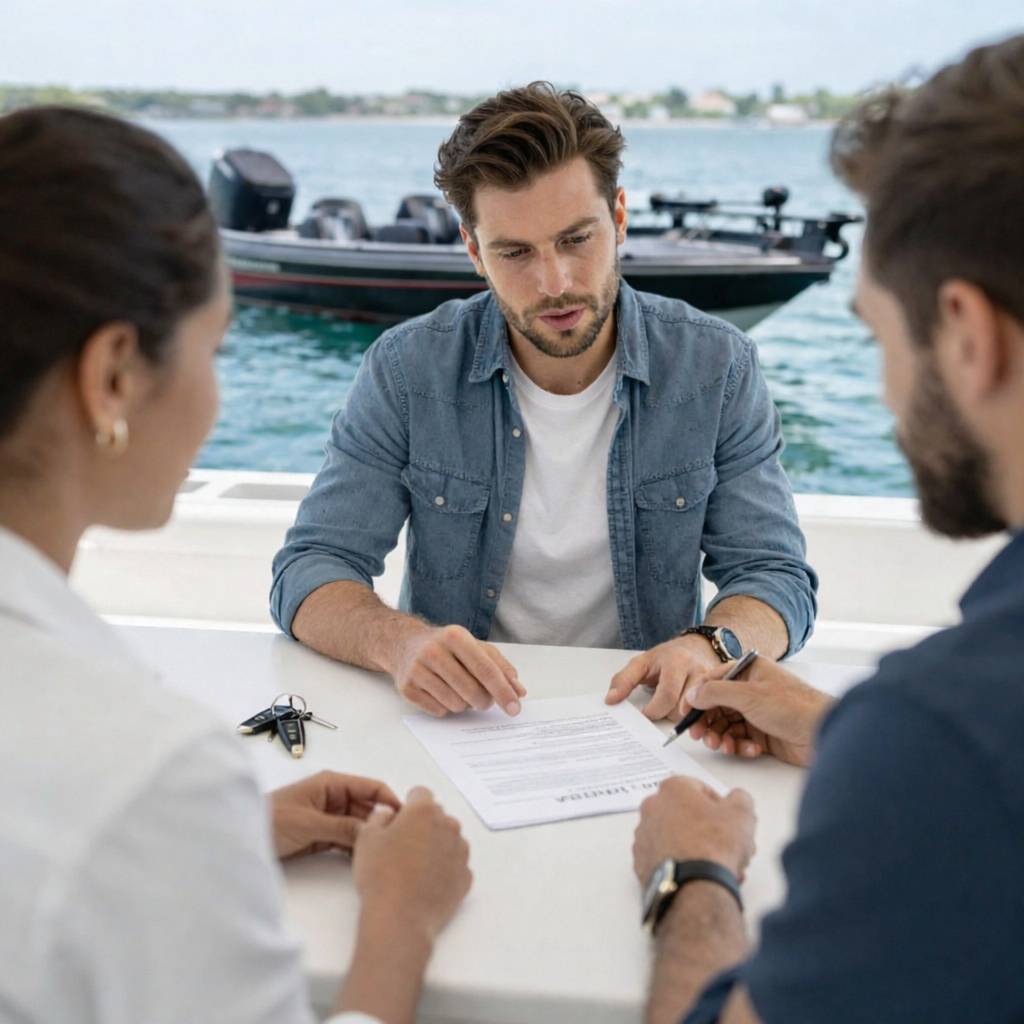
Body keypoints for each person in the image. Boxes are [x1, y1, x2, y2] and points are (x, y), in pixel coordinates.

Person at [0, 105, 471, 1024]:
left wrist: (215, 845)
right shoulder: (151, 768)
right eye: (215, 350)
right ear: (111, 377)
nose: (216, 395)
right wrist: (401, 918)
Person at [631, 33, 1024, 1024]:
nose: (886, 388)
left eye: (875, 334)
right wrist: (841, 726)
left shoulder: (940, 744)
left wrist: (693, 873)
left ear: (968, 337)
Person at [270, 82, 817, 722]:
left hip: (648, 719)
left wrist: (710, 646)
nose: (554, 283)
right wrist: (401, 644)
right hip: (466, 724)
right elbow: (310, 569)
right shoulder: (406, 368)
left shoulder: (717, 365)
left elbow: (774, 576)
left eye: (576, 239)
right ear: (475, 251)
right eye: (515, 252)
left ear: (618, 218)